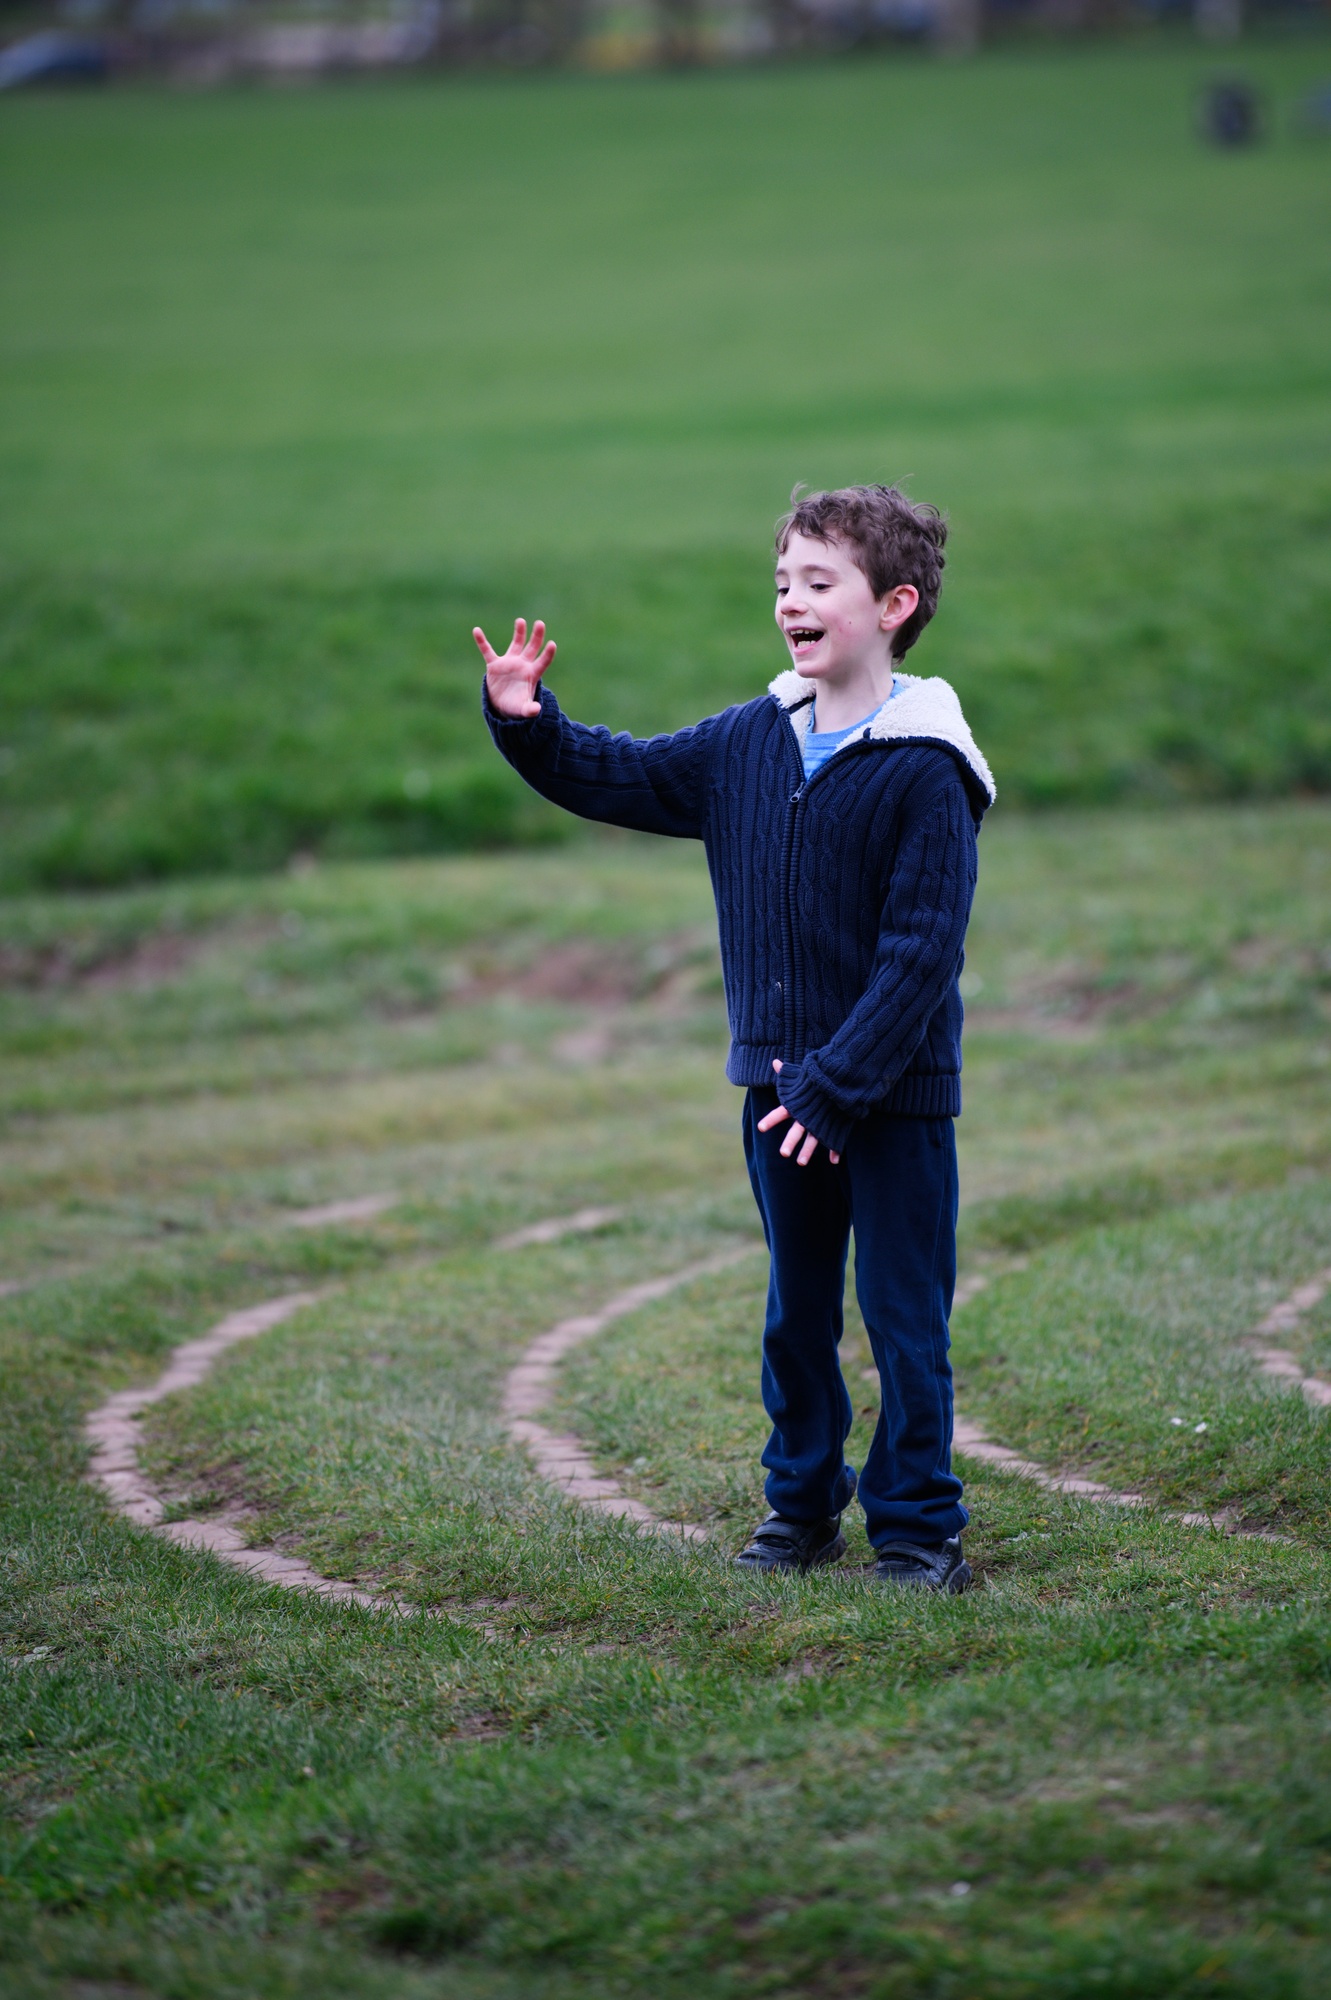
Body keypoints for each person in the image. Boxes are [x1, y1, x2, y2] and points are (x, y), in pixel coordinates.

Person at [475, 485, 995, 1593]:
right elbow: (620, 772)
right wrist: (528, 722)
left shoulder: (927, 768)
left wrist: (838, 1086)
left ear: (893, 605)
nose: (789, 602)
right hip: (775, 1091)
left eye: (818, 583)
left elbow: (919, 956)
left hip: (889, 1100)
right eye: (781, 583)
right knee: (795, 1319)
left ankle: (917, 1531)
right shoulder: (747, 742)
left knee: (902, 1320)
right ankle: (799, 1510)